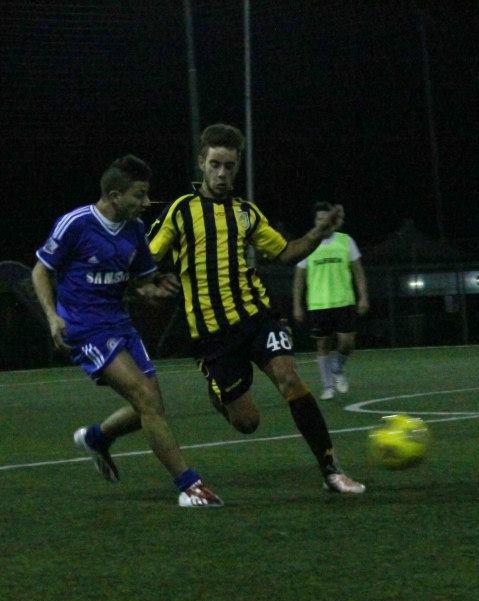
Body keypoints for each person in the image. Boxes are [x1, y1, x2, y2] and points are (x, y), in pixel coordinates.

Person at [147, 123, 365, 495]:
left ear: (237, 167)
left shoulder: (246, 213)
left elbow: (286, 252)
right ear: (201, 162)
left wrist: (318, 233)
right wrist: (150, 281)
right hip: (212, 335)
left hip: (256, 317)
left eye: (229, 166)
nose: (222, 173)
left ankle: (331, 470)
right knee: (247, 422)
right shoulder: (180, 211)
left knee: (289, 377)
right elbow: (146, 257)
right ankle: (221, 394)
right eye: (215, 164)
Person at [31, 154, 222, 508]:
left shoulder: (134, 231)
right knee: (146, 399)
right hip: (85, 328)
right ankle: (190, 486)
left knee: (150, 405)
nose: (146, 202)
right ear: (115, 195)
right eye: (139, 195)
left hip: (120, 324)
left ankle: (97, 437)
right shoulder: (76, 224)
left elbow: (143, 282)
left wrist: (155, 291)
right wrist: (52, 317)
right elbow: (40, 270)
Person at [293, 202, 370, 400]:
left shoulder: (346, 241)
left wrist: (363, 296)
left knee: (347, 343)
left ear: (332, 220)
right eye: (319, 218)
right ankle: (328, 386)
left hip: (344, 301)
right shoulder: (308, 244)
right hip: (318, 304)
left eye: (326, 218)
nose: (323, 222)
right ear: (315, 221)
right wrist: (297, 305)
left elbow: (358, 271)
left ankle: (337, 367)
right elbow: (299, 278)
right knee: (323, 346)